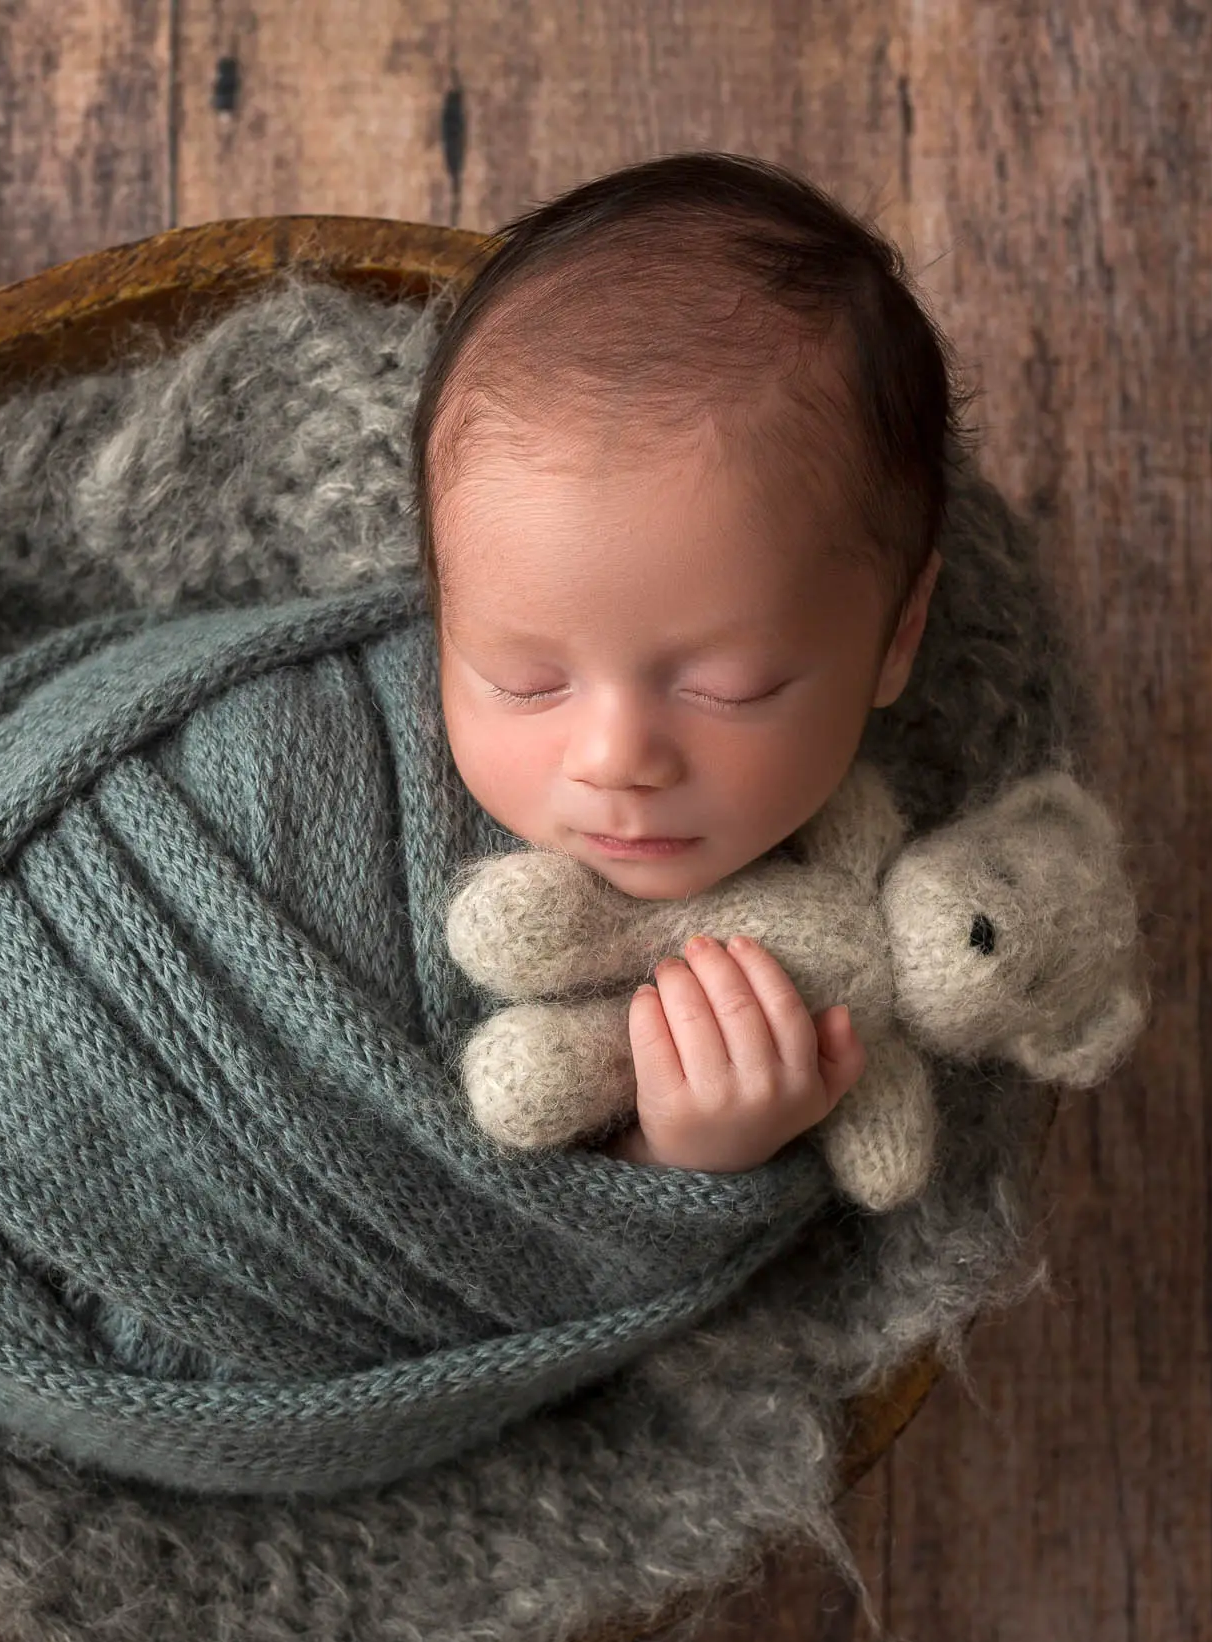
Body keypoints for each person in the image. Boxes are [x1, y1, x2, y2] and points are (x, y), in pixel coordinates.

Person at [413, 150, 970, 1174]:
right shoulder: (343, 740)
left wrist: (685, 1156)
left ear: (897, 637)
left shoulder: (860, 937)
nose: (615, 758)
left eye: (727, 689)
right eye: (523, 681)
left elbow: (549, 1288)